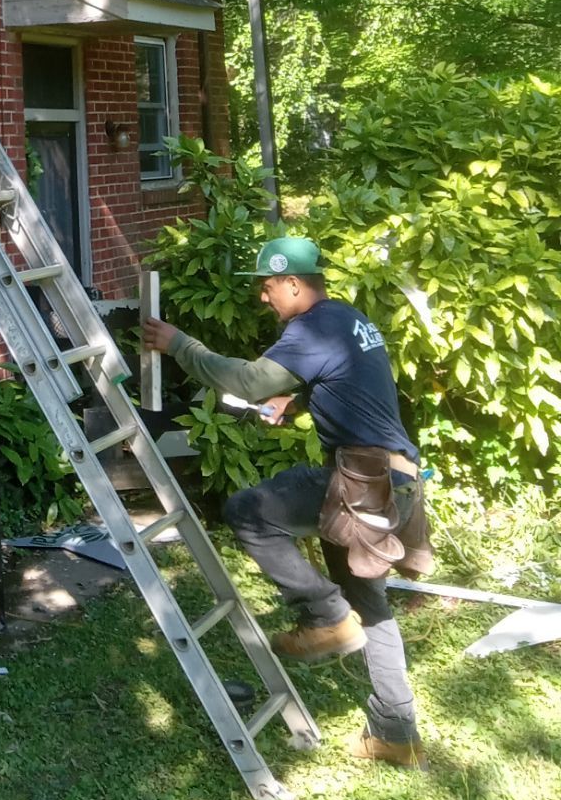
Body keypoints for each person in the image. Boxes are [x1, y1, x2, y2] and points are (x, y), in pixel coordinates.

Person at [141, 233, 428, 769]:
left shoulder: (311, 327)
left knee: (248, 511)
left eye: (269, 287)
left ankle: (323, 615)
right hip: (398, 481)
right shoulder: (346, 318)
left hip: (361, 483)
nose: (263, 297)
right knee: (369, 605)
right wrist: (298, 400)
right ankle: (395, 736)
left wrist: (180, 344)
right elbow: (353, 382)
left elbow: (247, 381)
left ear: (294, 283)